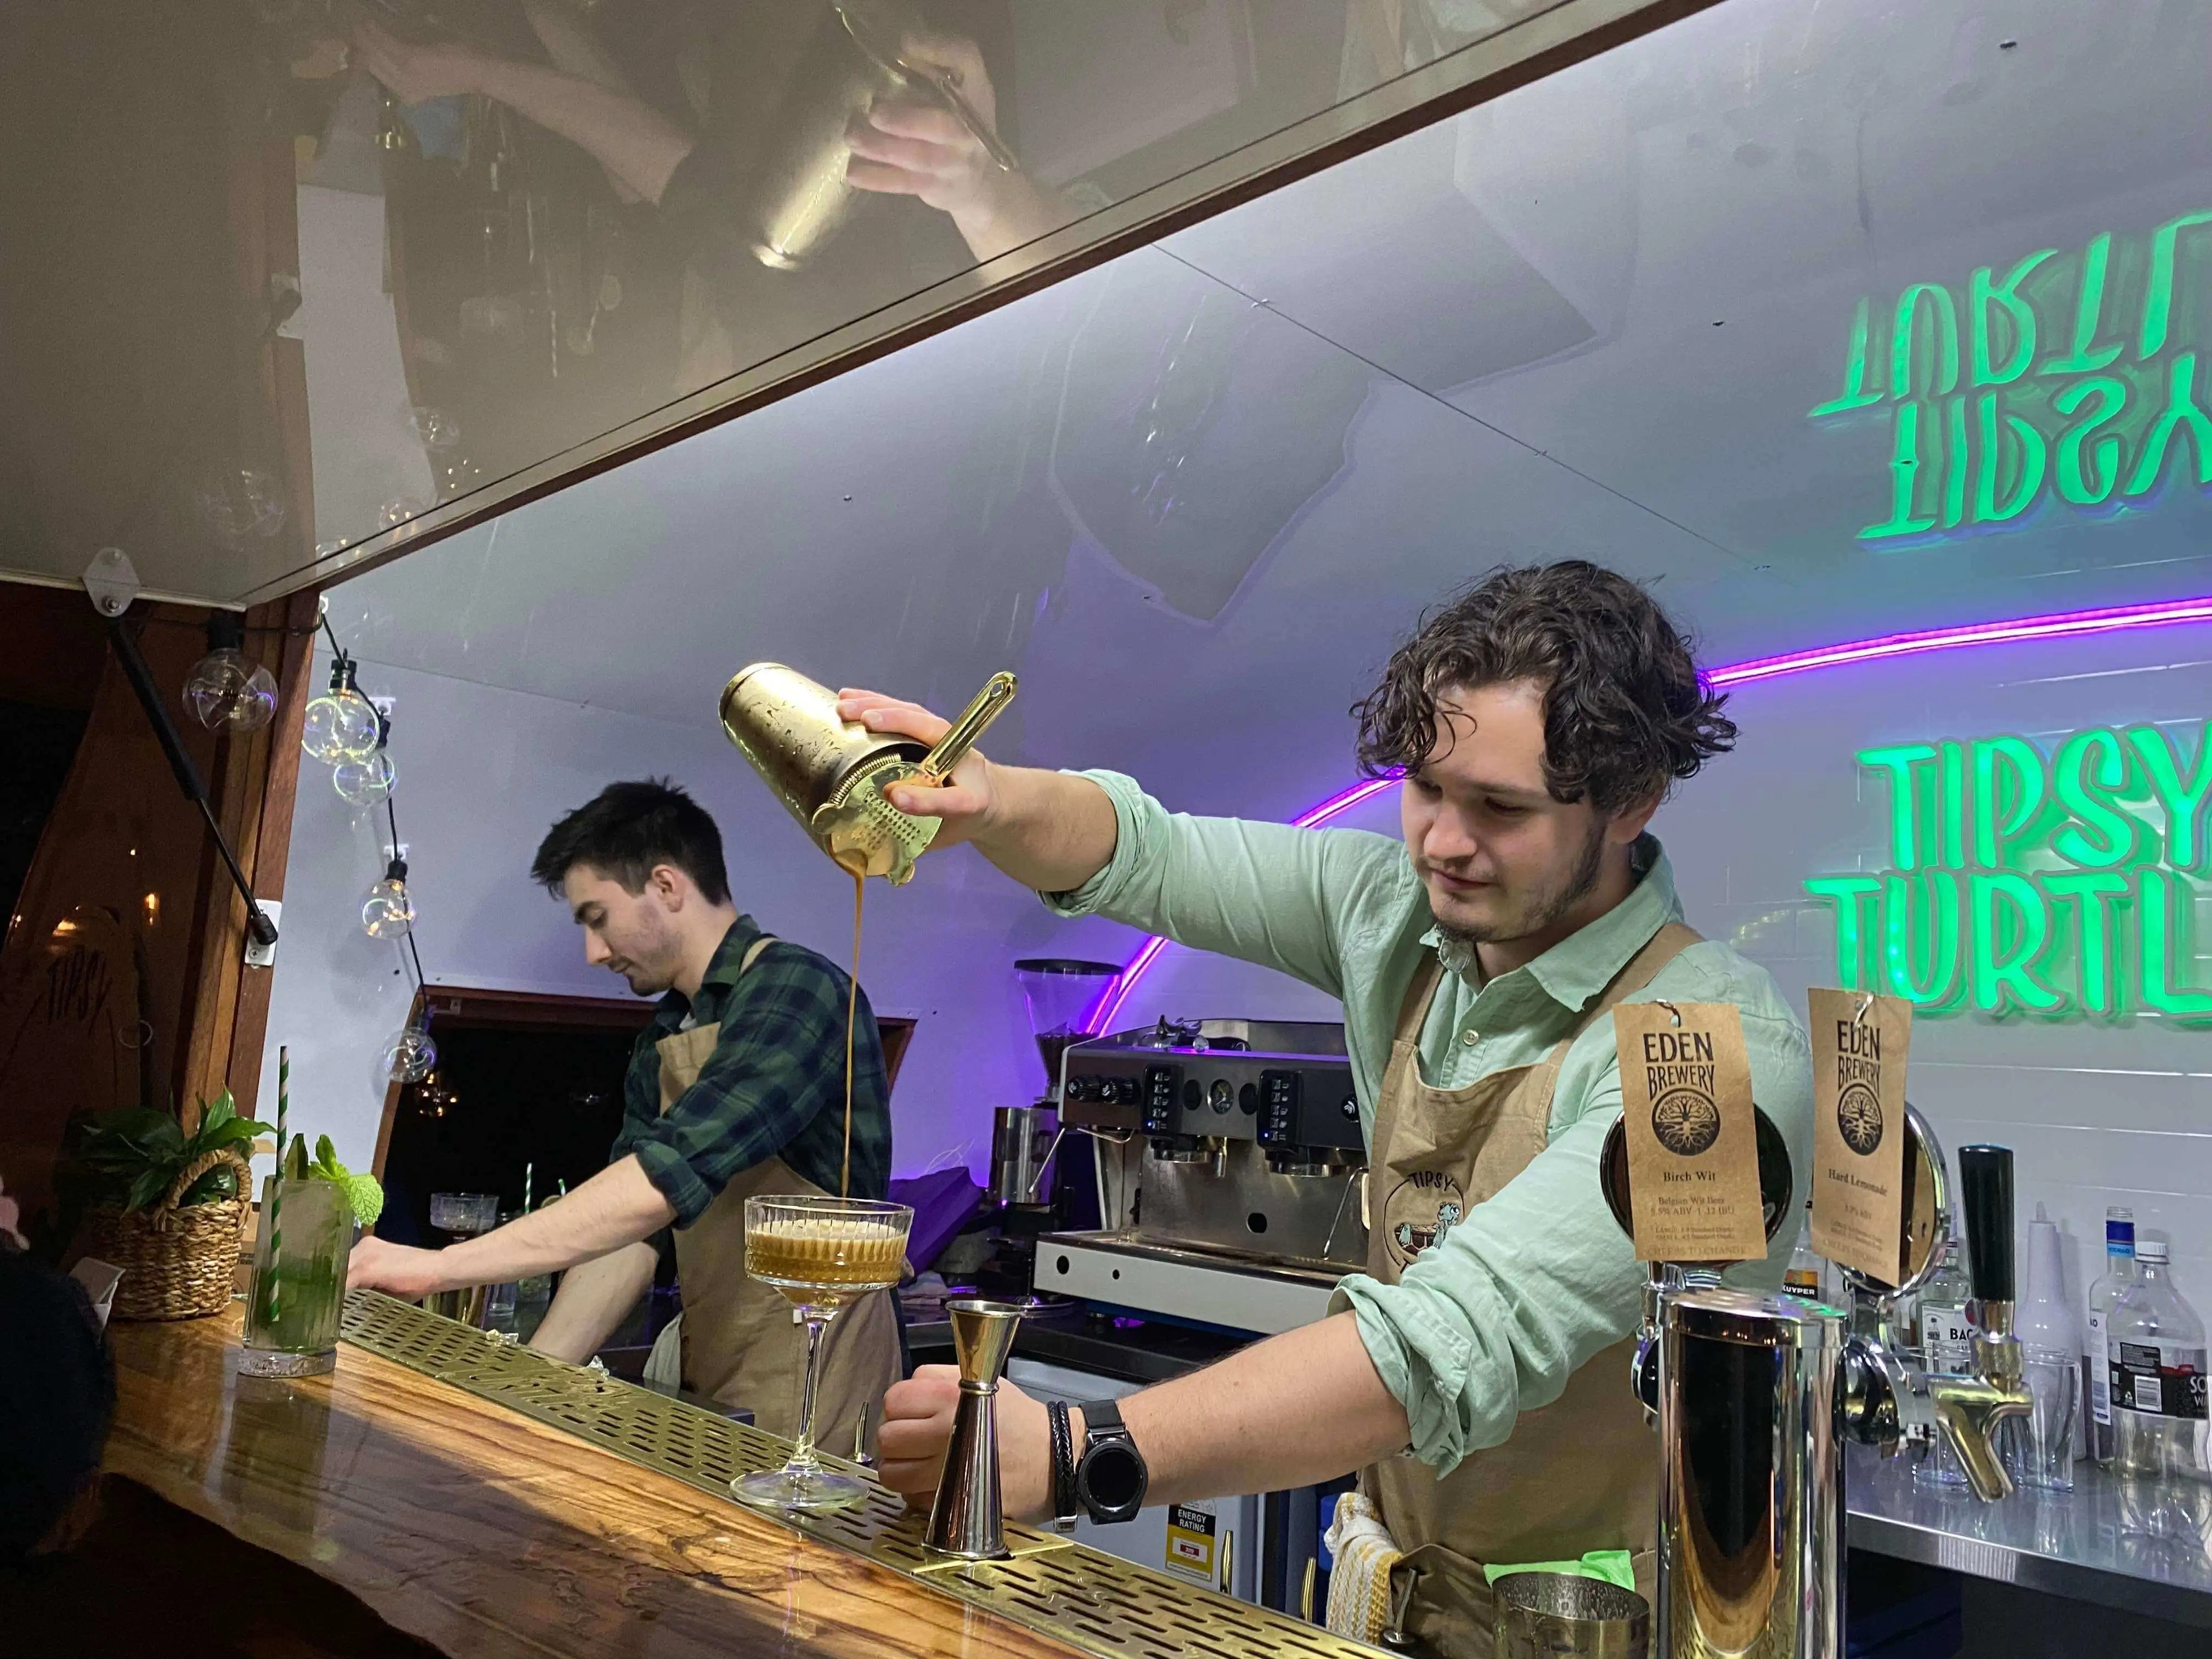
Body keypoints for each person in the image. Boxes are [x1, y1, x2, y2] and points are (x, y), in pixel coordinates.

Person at [849, 562, 1813, 1656]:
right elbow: (1147, 854)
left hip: (1613, 1631)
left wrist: (1075, 1449)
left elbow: (1444, 1345)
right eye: (1425, 787)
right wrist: (991, 799)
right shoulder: (1396, 918)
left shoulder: (1715, 1055)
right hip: (1403, 1598)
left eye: (1500, 808)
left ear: (1630, 801)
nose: (1441, 842)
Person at [347, 779, 898, 1451]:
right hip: (719, 1351)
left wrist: (436, 1268)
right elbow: (630, 1238)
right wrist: (524, 1391)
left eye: (597, 917)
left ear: (666, 885)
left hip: (820, 1368)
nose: (594, 952)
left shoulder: (798, 991)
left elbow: (665, 1178)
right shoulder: (665, 1034)